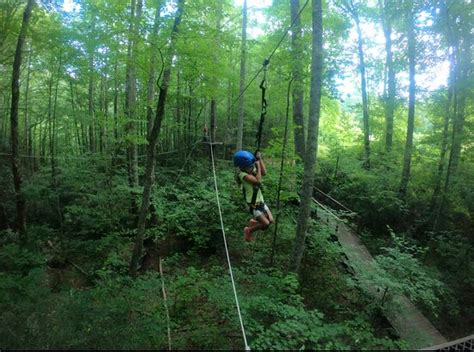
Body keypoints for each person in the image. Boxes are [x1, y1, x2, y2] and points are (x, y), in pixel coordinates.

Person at [233, 150, 274, 241]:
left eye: (252, 166)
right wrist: (257, 166)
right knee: (266, 224)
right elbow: (258, 181)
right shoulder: (243, 175)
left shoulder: (250, 170)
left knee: (271, 221)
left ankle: (253, 222)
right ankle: (249, 230)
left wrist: (260, 159)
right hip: (253, 205)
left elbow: (264, 173)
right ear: (242, 167)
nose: (252, 168)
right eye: (249, 167)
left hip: (261, 201)